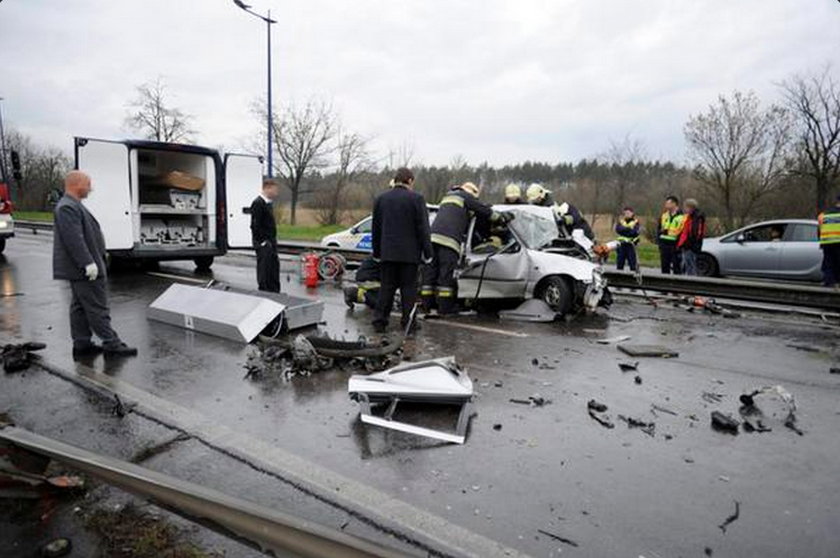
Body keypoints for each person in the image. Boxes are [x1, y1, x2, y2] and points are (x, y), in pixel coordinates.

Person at [53, 171, 137, 358]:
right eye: (88, 184)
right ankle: (112, 343)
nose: (91, 188)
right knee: (97, 306)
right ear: (77, 184)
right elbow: (74, 239)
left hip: (80, 269)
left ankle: (82, 343)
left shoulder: (72, 205)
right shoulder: (67, 207)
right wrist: (88, 263)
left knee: (79, 307)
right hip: (85, 269)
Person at [422, 182, 512, 314]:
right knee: (446, 275)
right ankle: (445, 308)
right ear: (471, 193)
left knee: (430, 274)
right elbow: (484, 211)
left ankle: (427, 305)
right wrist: (501, 218)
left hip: (432, 239)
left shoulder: (448, 197)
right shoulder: (465, 197)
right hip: (449, 242)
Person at [371, 168, 433, 333]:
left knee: (387, 288)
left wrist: (376, 252)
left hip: (387, 254)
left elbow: (375, 228)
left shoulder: (381, 199)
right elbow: (423, 229)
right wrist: (428, 253)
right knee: (408, 290)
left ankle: (379, 321)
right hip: (409, 255)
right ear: (410, 181)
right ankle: (408, 323)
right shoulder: (417, 199)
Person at [526, 184, 594, 240]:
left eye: (536, 199)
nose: (534, 202)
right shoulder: (539, 208)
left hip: (582, 237)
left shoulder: (562, 207)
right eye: (533, 200)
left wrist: (562, 219)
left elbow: (576, 218)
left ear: (542, 196)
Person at [250, 178, 280, 293]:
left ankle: (274, 290)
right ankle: (264, 291)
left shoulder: (268, 203)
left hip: (271, 241)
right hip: (264, 242)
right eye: (274, 189)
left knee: (273, 267)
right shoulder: (258, 203)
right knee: (264, 268)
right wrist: (262, 241)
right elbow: (255, 224)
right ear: (267, 188)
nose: (276, 192)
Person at [657, 195, 685, 274]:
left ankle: (676, 285)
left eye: (668, 203)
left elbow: (682, 233)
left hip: (675, 246)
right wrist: (660, 243)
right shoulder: (664, 215)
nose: (666, 205)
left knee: (677, 267)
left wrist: (679, 246)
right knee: (665, 267)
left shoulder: (682, 217)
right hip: (664, 245)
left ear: (674, 204)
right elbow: (659, 229)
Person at [677, 198, 706, 276]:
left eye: (686, 207)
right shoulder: (690, 217)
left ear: (691, 207)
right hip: (686, 245)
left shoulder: (697, 218)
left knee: (690, 265)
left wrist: (688, 244)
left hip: (691, 246)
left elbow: (695, 233)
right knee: (685, 265)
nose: (685, 209)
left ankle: (691, 283)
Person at [817, 194, 840, 287]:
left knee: (829, 263)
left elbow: (819, 230)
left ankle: (830, 283)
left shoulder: (824, 214)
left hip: (827, 243)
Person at [614, 207, 640, 271]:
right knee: (620, 263)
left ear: (632, 213)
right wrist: (628, 229)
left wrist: (624, 230)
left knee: (632, 264)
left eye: (628, 213)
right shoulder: (621, 221)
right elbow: (618, 230)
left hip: (631, 245)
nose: (627, 214)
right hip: (622, 245)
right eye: (625, 213)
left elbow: (634, 232)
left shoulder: (636, 222)